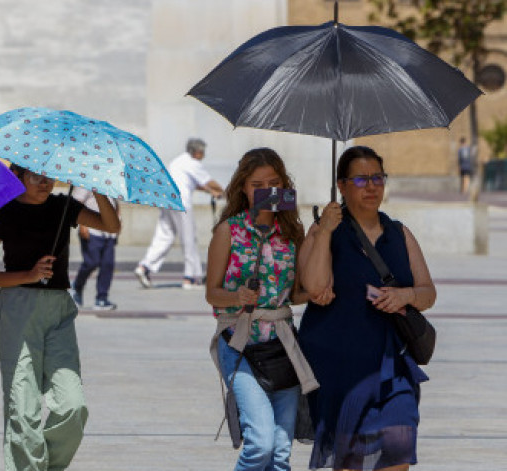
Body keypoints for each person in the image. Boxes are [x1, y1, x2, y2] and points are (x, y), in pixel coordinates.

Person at [0, 166, 120, 471]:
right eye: (35, 176)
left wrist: (97, 188)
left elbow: (111, 225)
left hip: (59, 311)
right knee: (23, 409)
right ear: (19, 178)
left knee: (73, 405)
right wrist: (29, 274)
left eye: (48, 176)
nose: (44, 182)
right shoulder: (4, 213)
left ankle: (46, 467)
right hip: (17, 310)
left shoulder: (63, 206)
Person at [298, 146, 436, 471]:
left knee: (400, 445)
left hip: (392, 367)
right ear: (342, 185)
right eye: (361, 179)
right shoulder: (324, 232)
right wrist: (326, 231)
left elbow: (428, 293)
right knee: (350, 463)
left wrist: (405, 296)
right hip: (338, 368)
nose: (372, 186)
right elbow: (315, 286)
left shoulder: (400, 233)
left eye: (378, 177)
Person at [206, 148, 324, 471]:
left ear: (284, 186)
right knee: (260, 445)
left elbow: (296, 294)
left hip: (282, 346)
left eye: (274, 183)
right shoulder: (228, 231)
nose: (267, 191)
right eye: (257, 184)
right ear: (243, 188)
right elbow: (211, 294)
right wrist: (238, 296)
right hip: (239, 344)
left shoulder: (292, 234)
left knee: (281, 454)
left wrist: (319, 237)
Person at [135, 137, 224, 289]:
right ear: (197, 152)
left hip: (167, 201)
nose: (203, 155)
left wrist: (211, 192)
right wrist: (225, 192)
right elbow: (208, 182)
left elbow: (193, 184)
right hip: (182, 204)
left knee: (164, 236)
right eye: (202, 152)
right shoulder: (193, 163)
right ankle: (190, 278)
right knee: (188, 239)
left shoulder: (178, 161)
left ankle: (144, 267)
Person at [70, 186, 119, 310]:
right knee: (91, 262)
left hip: (108, 233)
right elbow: (77, 203)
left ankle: (102, 298)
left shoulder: (111, 182)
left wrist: (118, 222)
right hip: (92, 230)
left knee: (108, 264)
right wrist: (82, 226)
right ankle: (77, 286)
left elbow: (115, 203)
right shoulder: (87, 182)